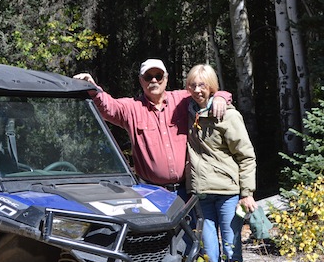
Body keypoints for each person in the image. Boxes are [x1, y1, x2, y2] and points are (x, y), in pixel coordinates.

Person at [73, 59, 231, 200]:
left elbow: (205, 92)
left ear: (166, 79)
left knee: (190, 233)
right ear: (141, 81)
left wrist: (220, 97)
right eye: (148, 77)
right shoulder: (131, 108)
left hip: (187, 191)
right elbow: (108, 107)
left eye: (159, 76)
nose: (154, 80)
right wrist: (92, 88)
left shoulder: (183, 100)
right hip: (151, 192)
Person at [185, 63, 256, 262]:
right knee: (209, 254)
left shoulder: (228, 115)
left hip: (228, 194)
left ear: (212, 86)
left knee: (231, 249)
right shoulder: (187, 111)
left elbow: (246, 156)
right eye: (192, 85)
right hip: (201, 196)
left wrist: (247, 192)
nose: (196, 90)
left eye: (202, 85)